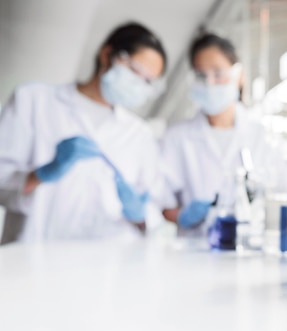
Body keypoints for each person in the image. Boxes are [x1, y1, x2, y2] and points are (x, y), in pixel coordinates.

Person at [0, 22, 167, 242]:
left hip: (107, 264)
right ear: (108, 55)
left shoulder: (140, 134)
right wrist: (40, 174)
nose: (140, 85)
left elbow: (154, 214)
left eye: (148, 82)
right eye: (138, 72)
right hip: (33, 255)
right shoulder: (32, 100)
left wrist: (138, 213)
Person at [159, 33, 287, 233]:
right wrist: (183, 216)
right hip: (193, 253)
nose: (210, 83)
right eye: (201, 75)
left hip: (251, 250)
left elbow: (283, 196)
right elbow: (162, 203)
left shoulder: (264, 137)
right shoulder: (177, 138)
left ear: (239, 76)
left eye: (218, 73)